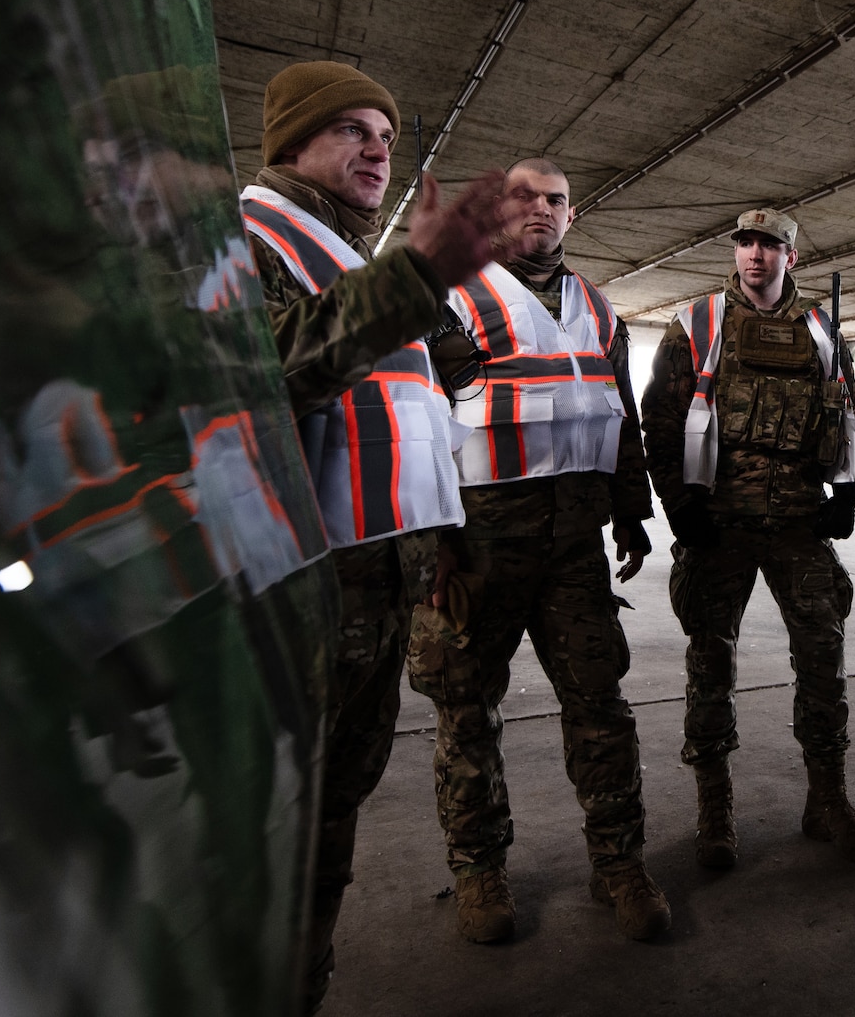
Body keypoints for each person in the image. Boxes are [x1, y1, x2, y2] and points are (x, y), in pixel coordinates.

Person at [238, 60, 507, 1012]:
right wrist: (420, 275)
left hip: (374, 593)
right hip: (288, 606)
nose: (379, 148)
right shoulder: (243, 236)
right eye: (353, 128)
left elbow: (405, 416)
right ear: (292, 143)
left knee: (328, 829)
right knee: (264, 844)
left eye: (387, 136)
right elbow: (260, 372)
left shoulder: (350, 256)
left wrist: (439, 538)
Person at [407, 158, 667, 944]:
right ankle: (479, 870)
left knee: (600, 705)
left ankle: (618, 862)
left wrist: (631, 510)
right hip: (477, 546)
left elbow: (618, 415)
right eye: (524, 196)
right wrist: (429, 543)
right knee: (467, 712)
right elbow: (413, 422)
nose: (540, 210)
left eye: (555, 200)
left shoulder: (596, 304)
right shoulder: (449, 294)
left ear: (572, 215)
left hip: (573, 546)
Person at [641, 207, 855, 870]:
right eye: (745, 243)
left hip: (799, 525)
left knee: (824, 657)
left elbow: (850, 417)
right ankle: (714, 810)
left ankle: (827, 799)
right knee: (710, 664)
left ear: (790, 257)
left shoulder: (821, 332)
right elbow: (658, 422)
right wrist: (677, 505)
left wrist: (849, 492)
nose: (754, 255)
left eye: (769, 245)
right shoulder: (698, 325)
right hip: (718, 527)